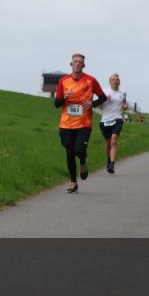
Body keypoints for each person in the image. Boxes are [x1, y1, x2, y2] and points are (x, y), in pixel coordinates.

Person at [53, 53, 106, 194]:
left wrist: (93, 103)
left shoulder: (91, 80)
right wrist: (64, 97)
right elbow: (56, 104)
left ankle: (83, 161)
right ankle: (73, 182)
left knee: (79, 151)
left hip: (84, 124)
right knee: (69, 154)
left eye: (80, 62)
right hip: (66, 125)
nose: (77, 64)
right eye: (75, 61)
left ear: (83, 65)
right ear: (71, 64)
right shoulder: (63, 81)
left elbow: (103, 97)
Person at [98, 73, 128, 173]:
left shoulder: (123, 92)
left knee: (114, 140)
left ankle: (112, 164)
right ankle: (108, 160)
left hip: (117, 119)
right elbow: (98, 106)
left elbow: (124, 104)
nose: (115, 81)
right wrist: (105, 99)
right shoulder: (104, 91)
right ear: (110, 81)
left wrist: (125, 106)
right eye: (113, 80)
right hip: (105, 120)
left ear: (119, 82)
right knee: (108, 143)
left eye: (117, 80)